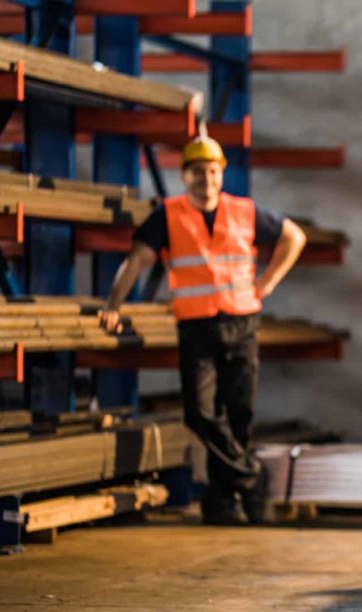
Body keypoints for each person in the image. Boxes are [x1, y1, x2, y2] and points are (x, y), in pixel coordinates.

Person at [98, 136, 307, 525]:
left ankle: (221, 501)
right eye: (197, 172)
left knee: (239, 413)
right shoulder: (168, 214)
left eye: (212, 171)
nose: (205, 179)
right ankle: (251, 479)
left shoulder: (243, 211)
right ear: (184, 175)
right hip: (197, 327)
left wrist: (268, 283)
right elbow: (137, 260)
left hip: (241, 322)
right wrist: (112, 306)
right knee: (200, 413)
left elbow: (294, 236)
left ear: (220, 173)